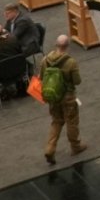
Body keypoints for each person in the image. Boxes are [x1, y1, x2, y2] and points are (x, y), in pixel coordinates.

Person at [41, 35, 86, 163]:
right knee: (71, 122)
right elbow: (77, 81)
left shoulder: (45, 60)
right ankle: (76, 147)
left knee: (56, 122)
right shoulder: (71, 62)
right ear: (67, 46)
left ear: (56, 44)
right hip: (68, 97)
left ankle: (50, 149)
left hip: (53, 97)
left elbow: (42, 78)